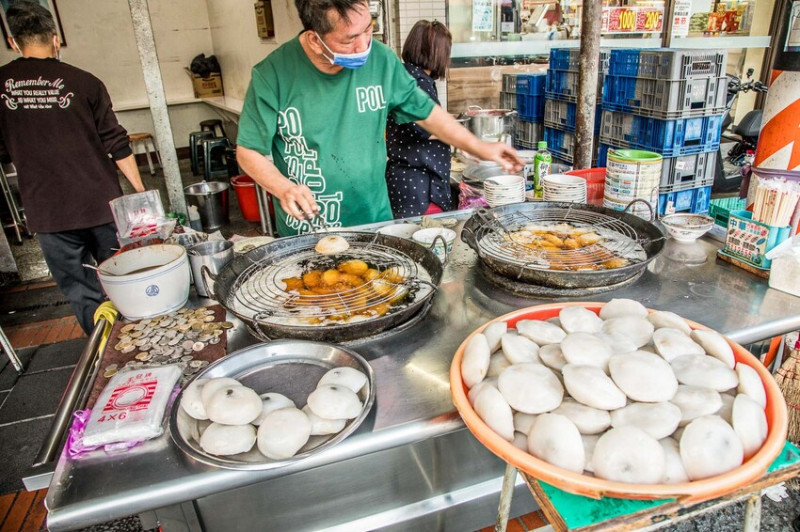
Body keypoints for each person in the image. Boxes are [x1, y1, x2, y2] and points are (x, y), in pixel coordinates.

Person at [236, 0, 521, 237]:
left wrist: (479, 147)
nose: (364, 46)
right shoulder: (273, 75)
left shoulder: (382, 61)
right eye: (350, 39)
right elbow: (249, 151)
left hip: (375, 221)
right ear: (314, 38)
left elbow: (428, 114)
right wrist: (283, 188)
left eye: (368, 30)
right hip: (308, 230)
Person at [0, 1, 145, 335]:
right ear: (55, 39)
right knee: (124, 278)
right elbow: (117, 143)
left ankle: (104, 353)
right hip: (100, 204)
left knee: (82, 291)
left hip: (48, 211)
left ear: (13, 41)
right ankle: (140, 341)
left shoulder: (1, 85)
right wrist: (139, 192)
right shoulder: (85, 82)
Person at [385, 20, 453, 219]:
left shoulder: (405, 75)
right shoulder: (418, 82)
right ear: (437, 53)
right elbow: (427, 127)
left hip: (405, 181)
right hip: (419, 188)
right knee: (427, 244)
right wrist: (466, 137)